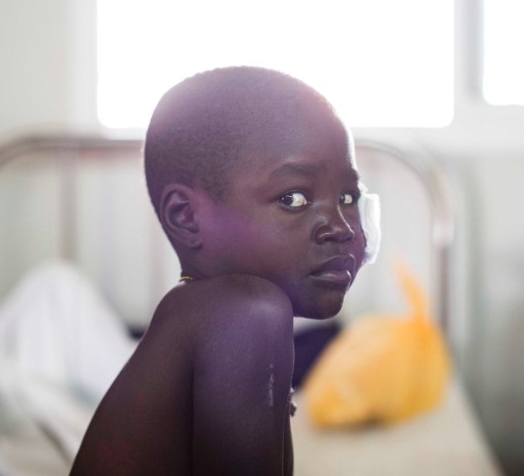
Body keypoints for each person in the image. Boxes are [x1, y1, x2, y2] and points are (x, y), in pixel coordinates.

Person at [70, 66, 368, 475]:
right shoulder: (245, 313)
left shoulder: (209, 312)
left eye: (348, 195)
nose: (342, 227)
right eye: (294, 198)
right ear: (187, 217)